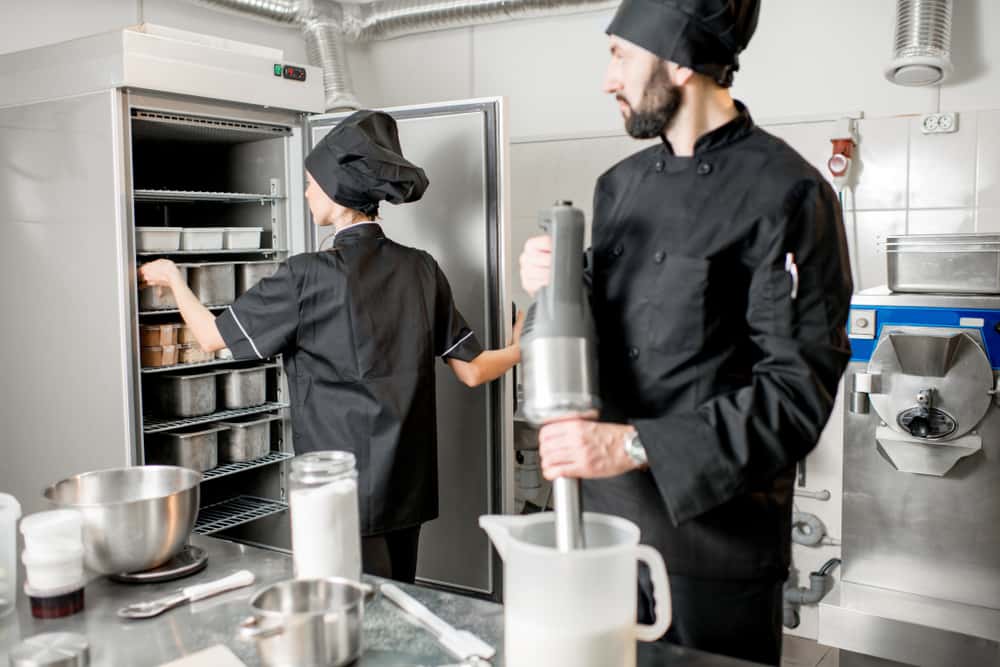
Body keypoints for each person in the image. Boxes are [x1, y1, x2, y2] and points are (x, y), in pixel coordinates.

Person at [519, 1, 852, 664]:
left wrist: (631, 444)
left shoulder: (788, 194)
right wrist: (556, 281)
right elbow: (616, 318)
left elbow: (795, 397)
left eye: (619, 56)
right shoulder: (619, 186)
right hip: (601, 527)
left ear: (678, 61)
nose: (608, 80)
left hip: (711, 549)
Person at [141, 110, 522, 584]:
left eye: (309, 184)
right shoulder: (422, 268)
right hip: (407, 489)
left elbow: (212, 337)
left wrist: (174, 280)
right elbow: (474, 369)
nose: (305, 193)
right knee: (400, 598)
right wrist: (521, 347)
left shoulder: (307, 275)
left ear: (336, 191)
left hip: (339, 492)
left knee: (350, 605)